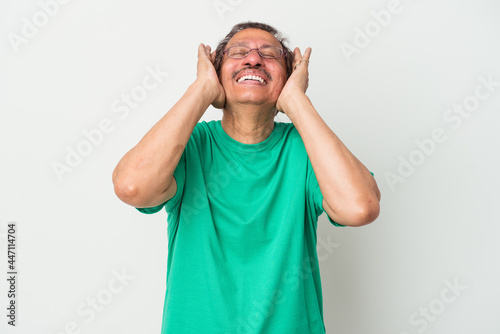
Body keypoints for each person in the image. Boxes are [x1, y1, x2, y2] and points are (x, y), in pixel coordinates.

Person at [112, 21, 381, 334]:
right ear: (216, 72)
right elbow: (132, 187)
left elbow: (360, 207)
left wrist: (296, 101)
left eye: (270, 55)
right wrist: (200, 90)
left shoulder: (307, 150)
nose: (253, 60)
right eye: (237, 53)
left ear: (290, 74)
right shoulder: (188, 145)